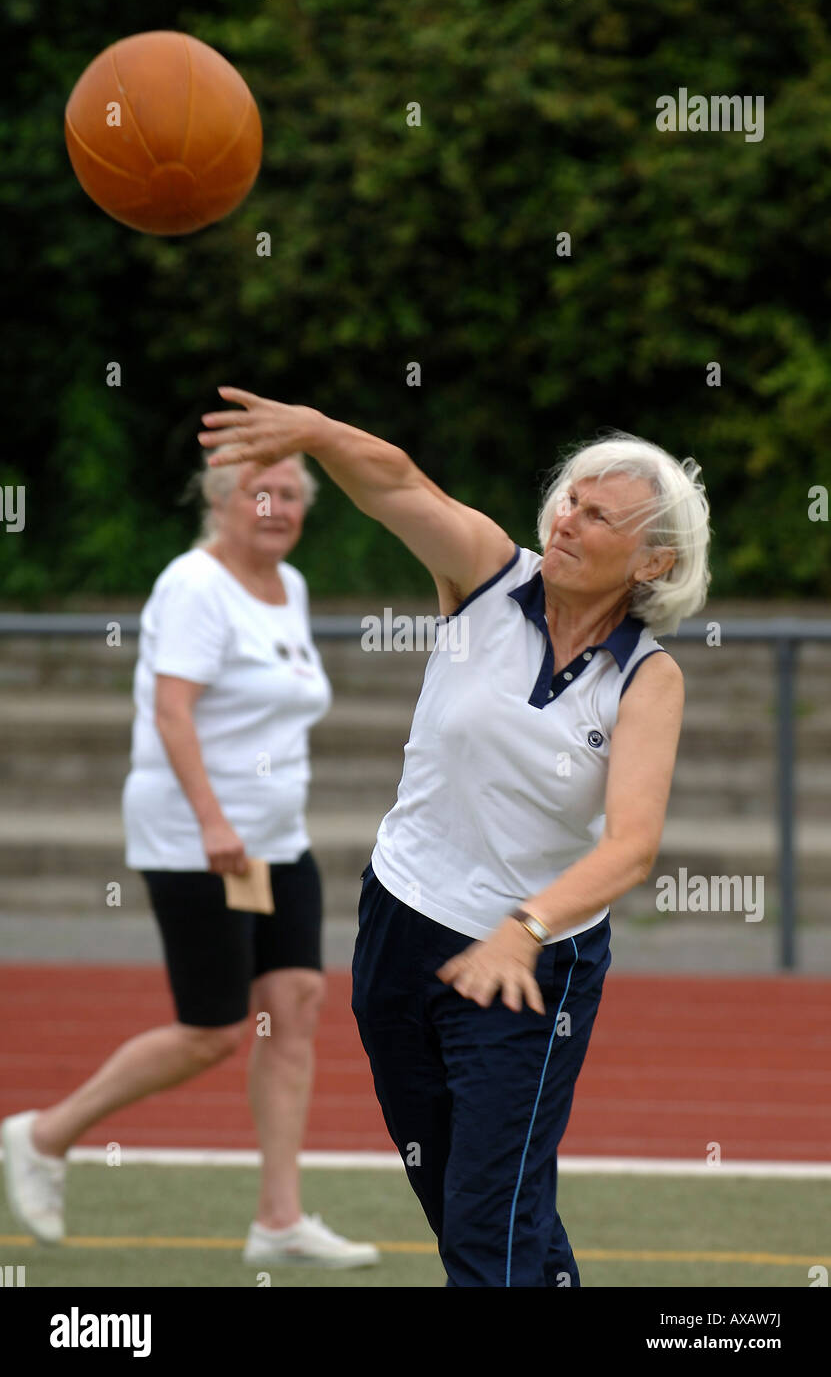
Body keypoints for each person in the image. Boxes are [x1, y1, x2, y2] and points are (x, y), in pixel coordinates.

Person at [195, 388, 712, 1289]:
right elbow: (400, 485)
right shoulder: (488, 575)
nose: (566, 520)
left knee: (486, 1230)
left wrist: (523, 926)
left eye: (597, 516)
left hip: (526, 969)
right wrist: (317, 433)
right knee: (473, 1207)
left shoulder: (646, 679)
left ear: (651, 559)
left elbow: (629, 847)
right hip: (397, 930)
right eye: (568, 500)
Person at [1, 451, 379, 1271]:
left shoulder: (292, 586)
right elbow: (174, 713)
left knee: (298, 998)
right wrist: (213, 821)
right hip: (201, 837)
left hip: (274, 838)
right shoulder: (195, 585)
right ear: (219, 501)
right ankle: (43, 1135)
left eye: (290, 495)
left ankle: (278, 1219)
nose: (275, 508)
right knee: (212, 1030)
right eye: (258, 493)